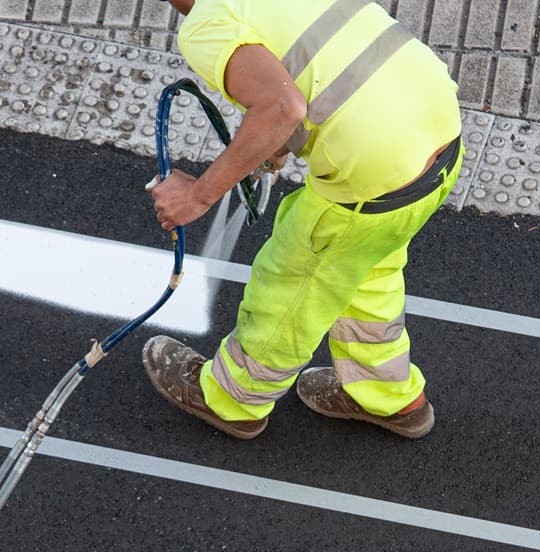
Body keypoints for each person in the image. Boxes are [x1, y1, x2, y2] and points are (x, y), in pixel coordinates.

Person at [143, 0, 463, 439]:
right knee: (366, 265)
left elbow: (282, 106)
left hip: (373, 171)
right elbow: (310, 70)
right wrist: (273, 143)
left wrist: (197, 195)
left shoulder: (207, 23)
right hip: (438, 134)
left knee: (294, 284)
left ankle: (234, 398)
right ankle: (389, 395)